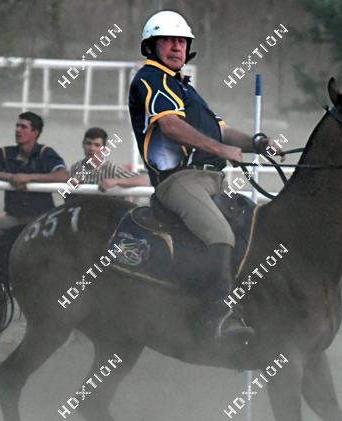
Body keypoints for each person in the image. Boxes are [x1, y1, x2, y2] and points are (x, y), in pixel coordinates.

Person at [128, 10, 278, 341]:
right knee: (219, 233)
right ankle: (216, 317)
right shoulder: (150, 78)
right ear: (151, 46)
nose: (176, 47)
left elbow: (220, 131)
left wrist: (256, 143)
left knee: (251, 230)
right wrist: (222, 150)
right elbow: (170, 126)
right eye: (168, 40)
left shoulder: (185, 88)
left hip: (212, 181)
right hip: (179, 181)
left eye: (182, 41)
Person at [0, 112, 69, 237]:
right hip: (14, 217)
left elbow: (63, 175)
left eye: (23, 127)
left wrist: (29, 178)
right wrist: (11, 178)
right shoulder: (5, 152)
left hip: (41, 217)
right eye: (17, 126)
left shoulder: (45, 153)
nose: (18, 130)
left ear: (35, 132)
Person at [68, 127, 149, 192]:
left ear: (103, 149)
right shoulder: (75, 167)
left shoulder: (112, 169)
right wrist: (70, 183)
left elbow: (144, 181)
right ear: (83, 145)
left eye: (97, 145)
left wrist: (116, 182)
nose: (92, 148)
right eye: (88, 144)